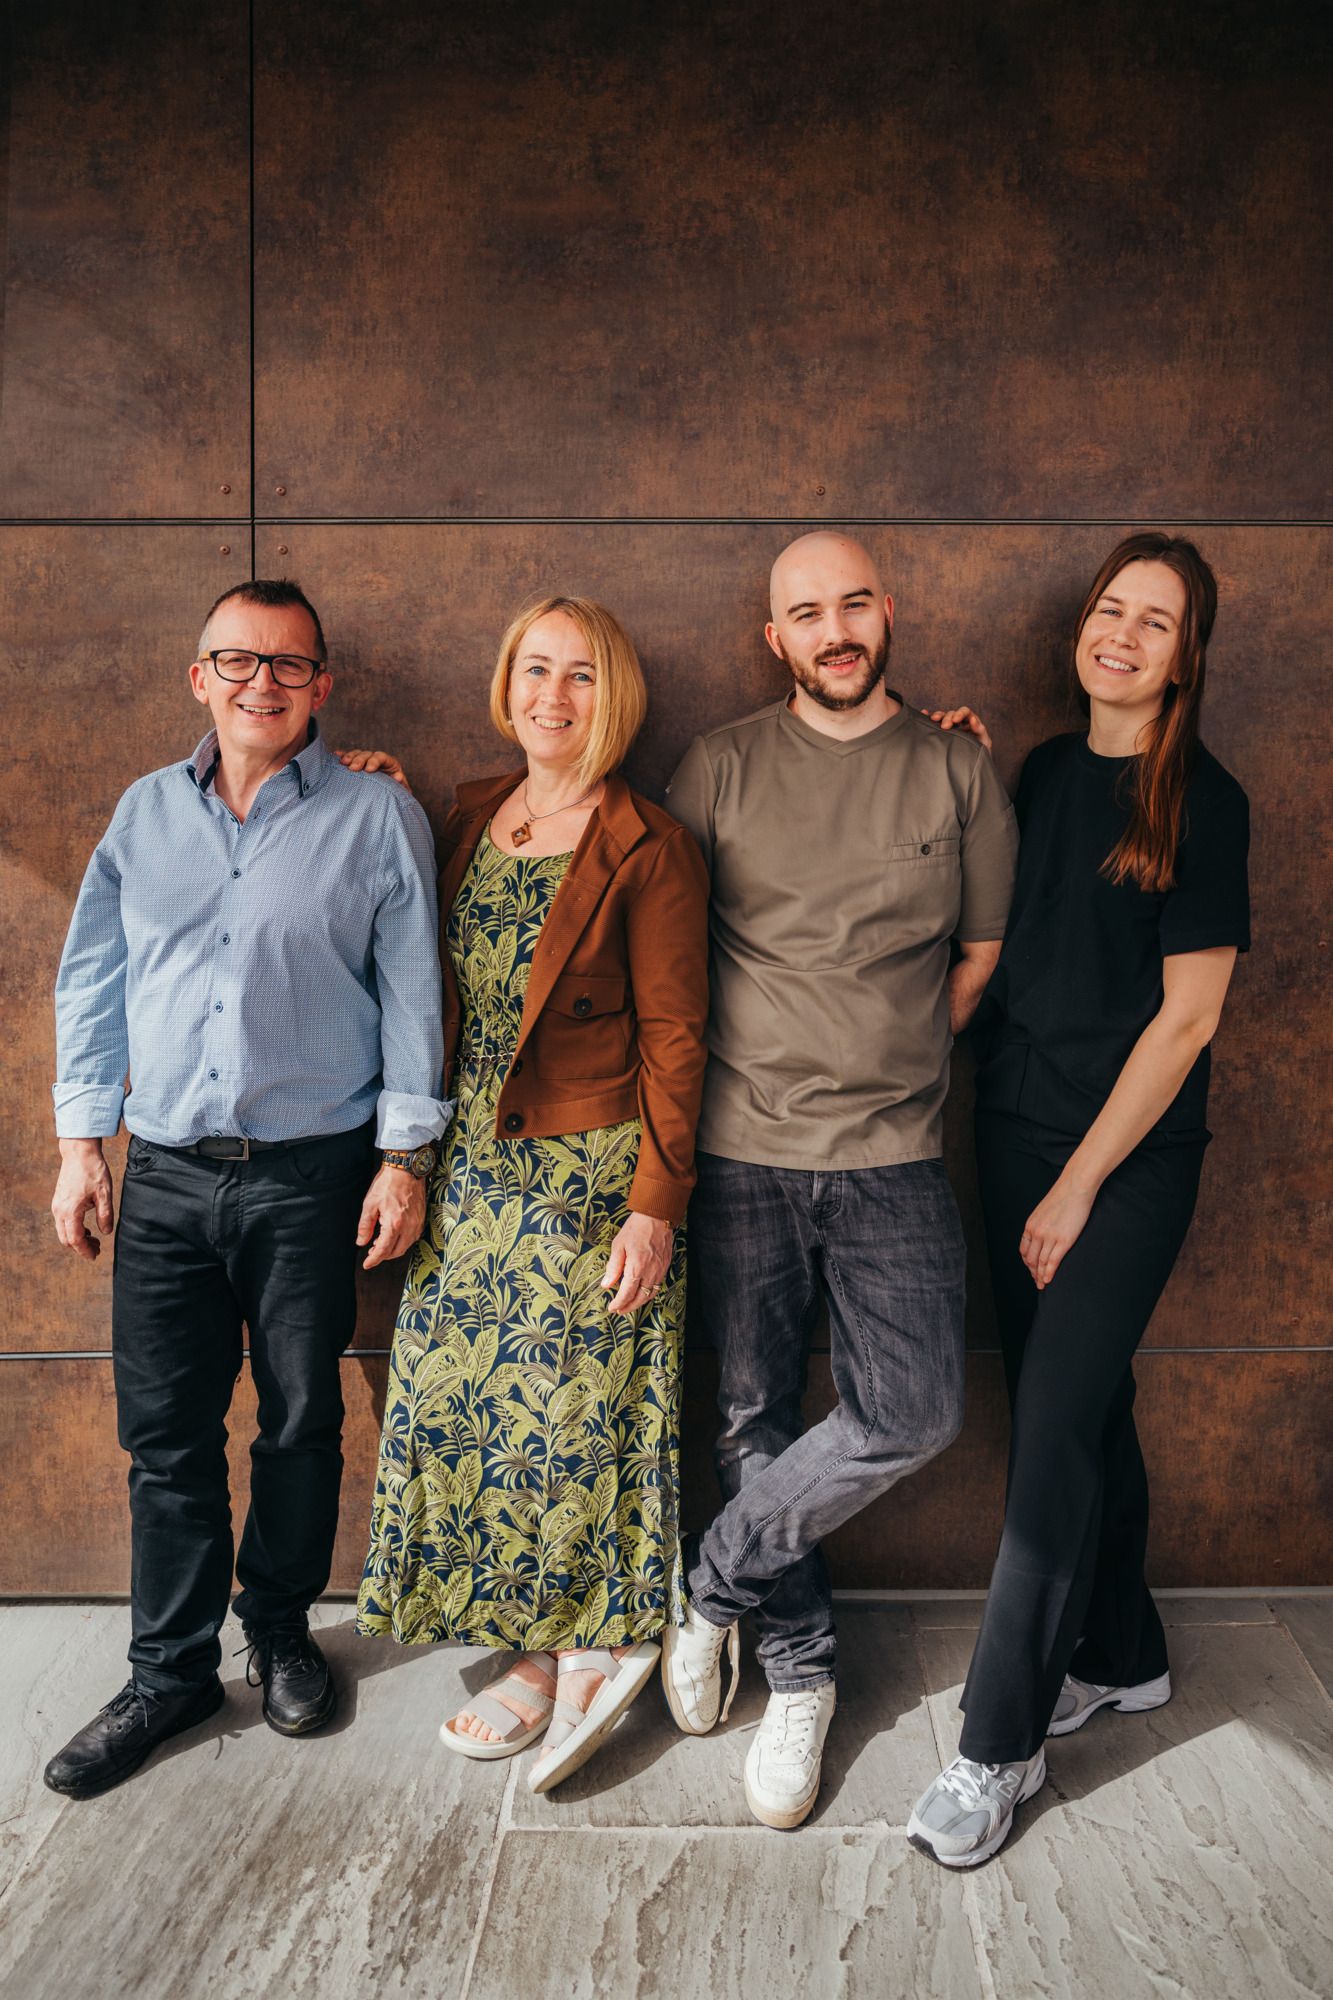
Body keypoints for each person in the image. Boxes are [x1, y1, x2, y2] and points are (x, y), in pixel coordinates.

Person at [44, 580, 449, 1800]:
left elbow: (415, 991)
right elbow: (92, 975)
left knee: (299, 1417)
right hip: (165, 1173)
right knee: (164, 1435)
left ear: (322, 683)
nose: (260, 682)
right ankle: (168, 1669)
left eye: (287, 663)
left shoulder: (378, 815)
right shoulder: (143, 811)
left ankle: (277, 1628)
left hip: (311, 1175)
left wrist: (405, 1158)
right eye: (237, 659)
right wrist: (82, 1143)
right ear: (200, 676)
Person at [659, 531, 1019, 1829]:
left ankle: (712, 1581)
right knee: (750, 1414)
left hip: (896, 1154)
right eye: (805, 612)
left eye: (853, 603)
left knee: (914, 1409)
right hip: (741, 1148)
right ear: (776, 638)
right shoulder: (719, 765)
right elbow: (664, 951)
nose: (835, 629)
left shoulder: (957, 766)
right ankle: (800, 1676)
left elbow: (976, 957)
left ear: (886, 610)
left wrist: (890, 1053)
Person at [907, 532, 1250, 1869]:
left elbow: (1187, 1022)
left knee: (1049, 1430)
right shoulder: (1044, 772)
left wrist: (1078, 1184)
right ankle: (1121, 1647)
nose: (1121, 634)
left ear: (1185, 657)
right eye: (1111, 608)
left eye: (1154, 621)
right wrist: (939, 764)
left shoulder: (1204, 800)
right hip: (1013, 1128)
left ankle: (999, 1745)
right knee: (1084, 1404)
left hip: (1128, 1161)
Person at [355, 595, 709, 1794]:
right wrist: (366, 789)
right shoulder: (464, 813)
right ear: (506, 683)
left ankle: (579, 1646)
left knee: (573, 1416)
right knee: (472, 1415)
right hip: (466, 1168)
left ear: (618, 698)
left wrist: (655, 1202)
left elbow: (676, 1038)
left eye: (582, 675)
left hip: (591, 1171)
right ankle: (539, 1638)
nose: (553, 696)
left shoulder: (648, 845)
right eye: (535, 670)